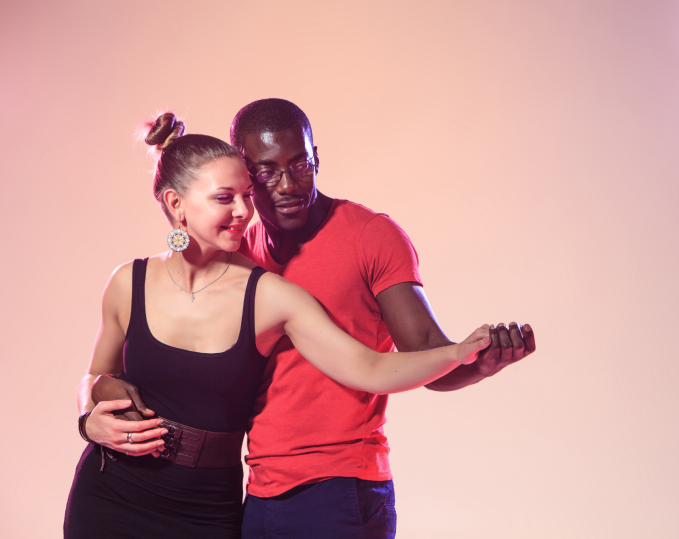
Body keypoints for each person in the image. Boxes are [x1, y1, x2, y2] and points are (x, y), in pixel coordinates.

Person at [63, 112, 498, 539]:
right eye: (225, 197)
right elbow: (97, 374)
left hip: (214, 507)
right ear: (176, 204)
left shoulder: (268, 292)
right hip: (113, 494)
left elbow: (368, 368)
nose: (244, 211)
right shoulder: (129, 282)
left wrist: (459, 353)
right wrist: (89, 418)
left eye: (246, 196)